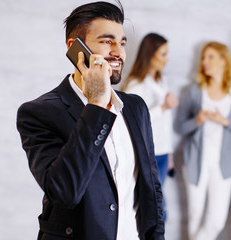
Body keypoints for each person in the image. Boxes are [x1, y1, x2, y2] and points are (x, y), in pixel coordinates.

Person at [16, 2, 164, 240]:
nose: (118, 52)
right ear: (76, 48)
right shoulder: (39, 113)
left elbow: (151, 188)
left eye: (122, 42)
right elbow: (64, 192)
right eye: (107, 41)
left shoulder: (136, 107)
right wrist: (96, 105)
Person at [175, 41, 231, 240]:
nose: (205, 62)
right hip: (195, 162)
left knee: (216, 220)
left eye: (210, 57)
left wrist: (224, 121)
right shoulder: (194, 91)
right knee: (194, 218)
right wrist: (198, 120)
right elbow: (180, 127)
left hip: (223, 165)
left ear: (224, 61)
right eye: (203, 57)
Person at [121, 33, 179, 220]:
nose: (167, 59)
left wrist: (169, 153)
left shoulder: (160, 81)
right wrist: (163, 107)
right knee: (155, 208)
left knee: (160, 206)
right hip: (148, 154)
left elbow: (165, 123)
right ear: (150, 55)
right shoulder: (135, 86)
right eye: (163, 54)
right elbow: (132, 121)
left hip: (162, 153)